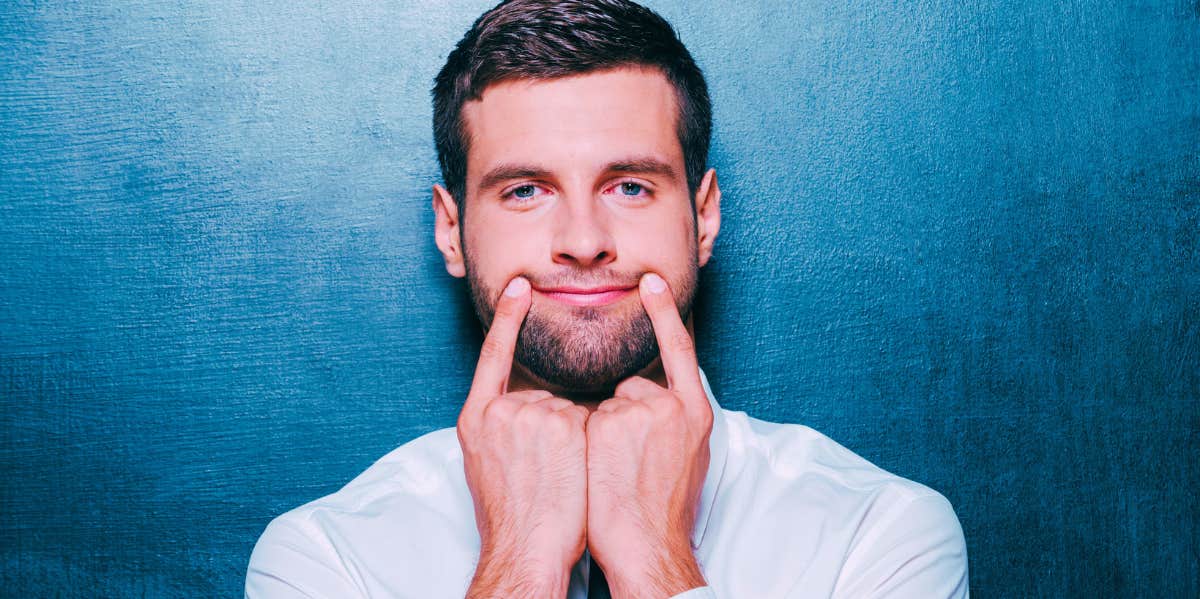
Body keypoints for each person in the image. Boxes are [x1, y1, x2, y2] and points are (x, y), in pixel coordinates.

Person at [245, 0, 969, 597]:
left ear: (704, 216)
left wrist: (658, 564)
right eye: (525, 190)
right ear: (453, 231)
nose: (585, 240)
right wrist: (521, 563)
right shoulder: (325, 560)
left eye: (630, 185)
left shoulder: (879, 536)